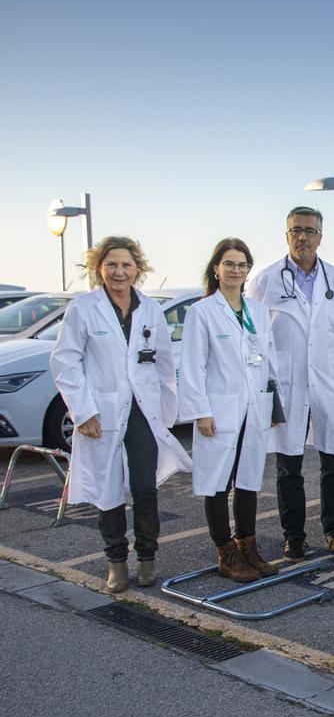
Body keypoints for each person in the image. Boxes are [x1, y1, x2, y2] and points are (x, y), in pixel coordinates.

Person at [49, 236, 191, 592]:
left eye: (126, 265)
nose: (119, 271)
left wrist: (166, 411)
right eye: (111, 264)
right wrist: (83, 412)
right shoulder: (84, 309)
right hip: (102, 411)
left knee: (145, 487)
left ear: (137, 269)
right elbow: (66, 361)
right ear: (99, 268)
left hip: (143, 410)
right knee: (108, 488)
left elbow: (163, 362)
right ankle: (116, 561)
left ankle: (147, 557)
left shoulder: (150, 309)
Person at [247, 207, 334, 561]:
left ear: (320, 237)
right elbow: (253, 336)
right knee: (288, 464)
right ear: (286, 235)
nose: (302, 237)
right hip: (287, 384)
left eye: (310, 231)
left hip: (328, 380)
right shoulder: (266, 280)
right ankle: (293, 536)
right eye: (296, 230)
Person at [179, 238, 280, 582]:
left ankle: (247, 546)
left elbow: (268, 359)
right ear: (216, 269)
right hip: (219, 410)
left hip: (254, 406)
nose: (236, 270)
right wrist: (201, 411)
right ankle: (225, 552)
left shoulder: (257, 311)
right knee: (218, 481)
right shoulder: (202, 312)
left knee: (249, 479)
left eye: (242, 265)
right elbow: (192, 366)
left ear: (248, 270)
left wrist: (271, 405)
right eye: (229, 264)